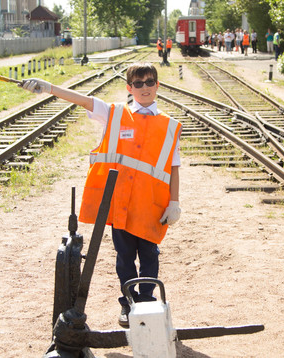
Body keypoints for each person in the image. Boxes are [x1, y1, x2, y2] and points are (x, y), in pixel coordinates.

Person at [19, 63, 182, 328]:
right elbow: (84, 100)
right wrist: (49, 88)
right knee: (124, 257)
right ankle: (129, 304)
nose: (144, 88)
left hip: (150, 206)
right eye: (138, 84)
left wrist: (174, 202)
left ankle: (147, 301)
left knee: (150, 255)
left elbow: (173, 168)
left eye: (149, 82)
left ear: (157, 85)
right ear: (129, 88)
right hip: (120, 204)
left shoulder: (170, 126)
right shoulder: (115, 114)